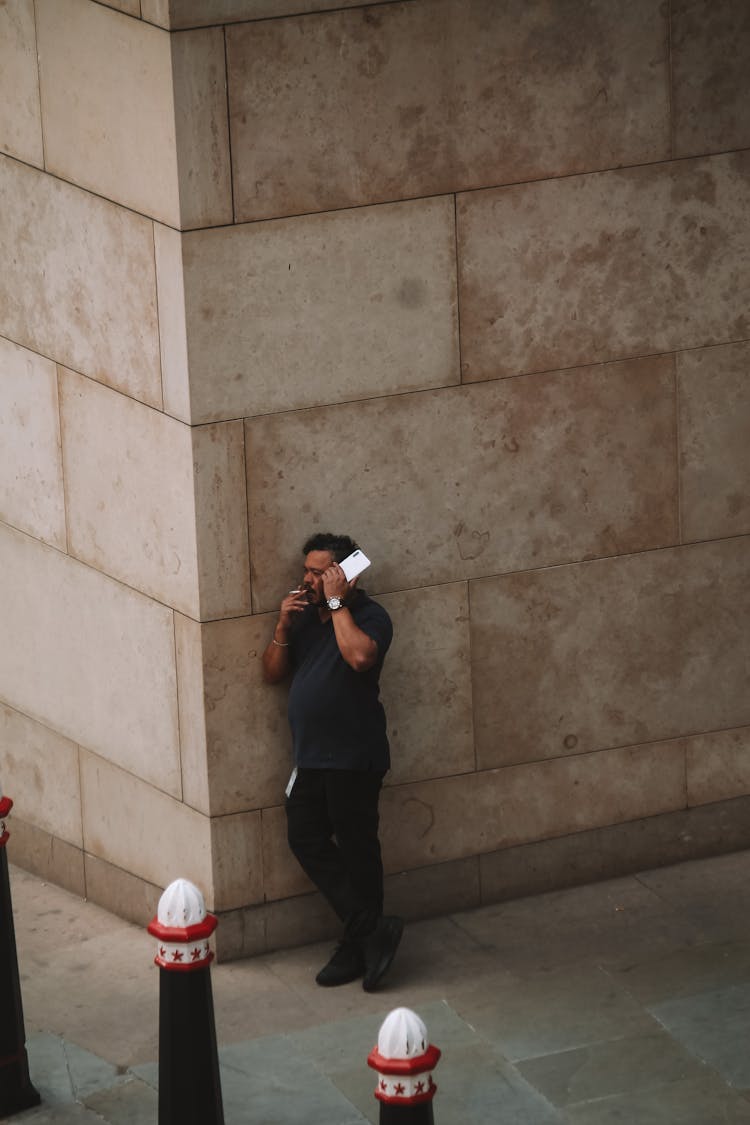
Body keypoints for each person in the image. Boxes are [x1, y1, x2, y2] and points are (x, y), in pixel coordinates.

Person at [262, 532, 403, 990]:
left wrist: (339, 605)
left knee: (359, 848)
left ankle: (357, 943)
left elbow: (360, 658)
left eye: (318, 572)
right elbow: (271, 673)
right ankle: (370, 930)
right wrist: (283, 629)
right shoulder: (304, 619)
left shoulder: (370, 615)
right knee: (305, 836)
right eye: (306, 570)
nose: (307, 579)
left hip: (354, 753)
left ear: (346, 573)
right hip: (310, 755)